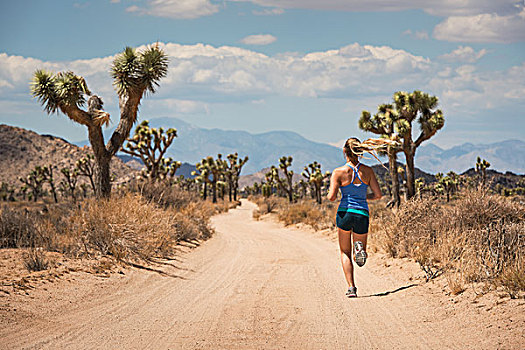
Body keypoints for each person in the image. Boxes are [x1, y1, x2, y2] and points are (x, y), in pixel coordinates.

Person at [327, 137, 383, 298]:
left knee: (345, 252)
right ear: (360, 152)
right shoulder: (368, 171)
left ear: (344, 151)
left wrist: (336, 194)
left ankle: (351, 287)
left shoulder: (338, 172)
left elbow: (331, 197)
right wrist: (364, 198)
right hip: (362, 214)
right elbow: (378, 195)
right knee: (359, 250)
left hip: (345, 213)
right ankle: (360, 249)